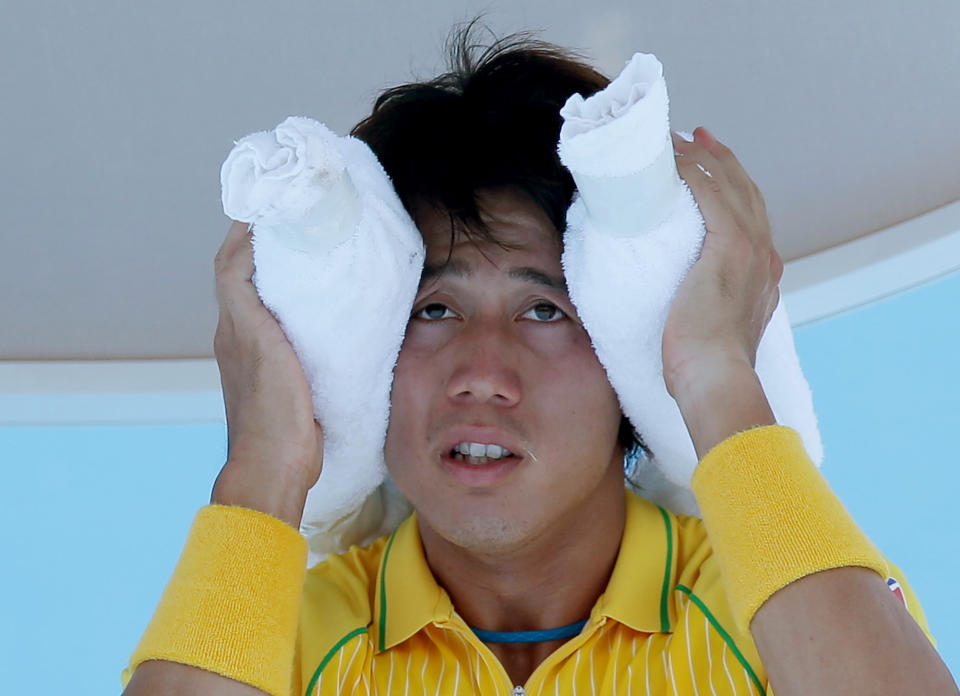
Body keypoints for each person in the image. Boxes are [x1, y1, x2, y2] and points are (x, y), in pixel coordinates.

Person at [121, 20, 958, 696]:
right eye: (434, 310)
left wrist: (715, 373)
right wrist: (265, 466)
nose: (482, 371)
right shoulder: (279, 639)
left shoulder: (781, 603)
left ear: (628, 354)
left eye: (545, 309)